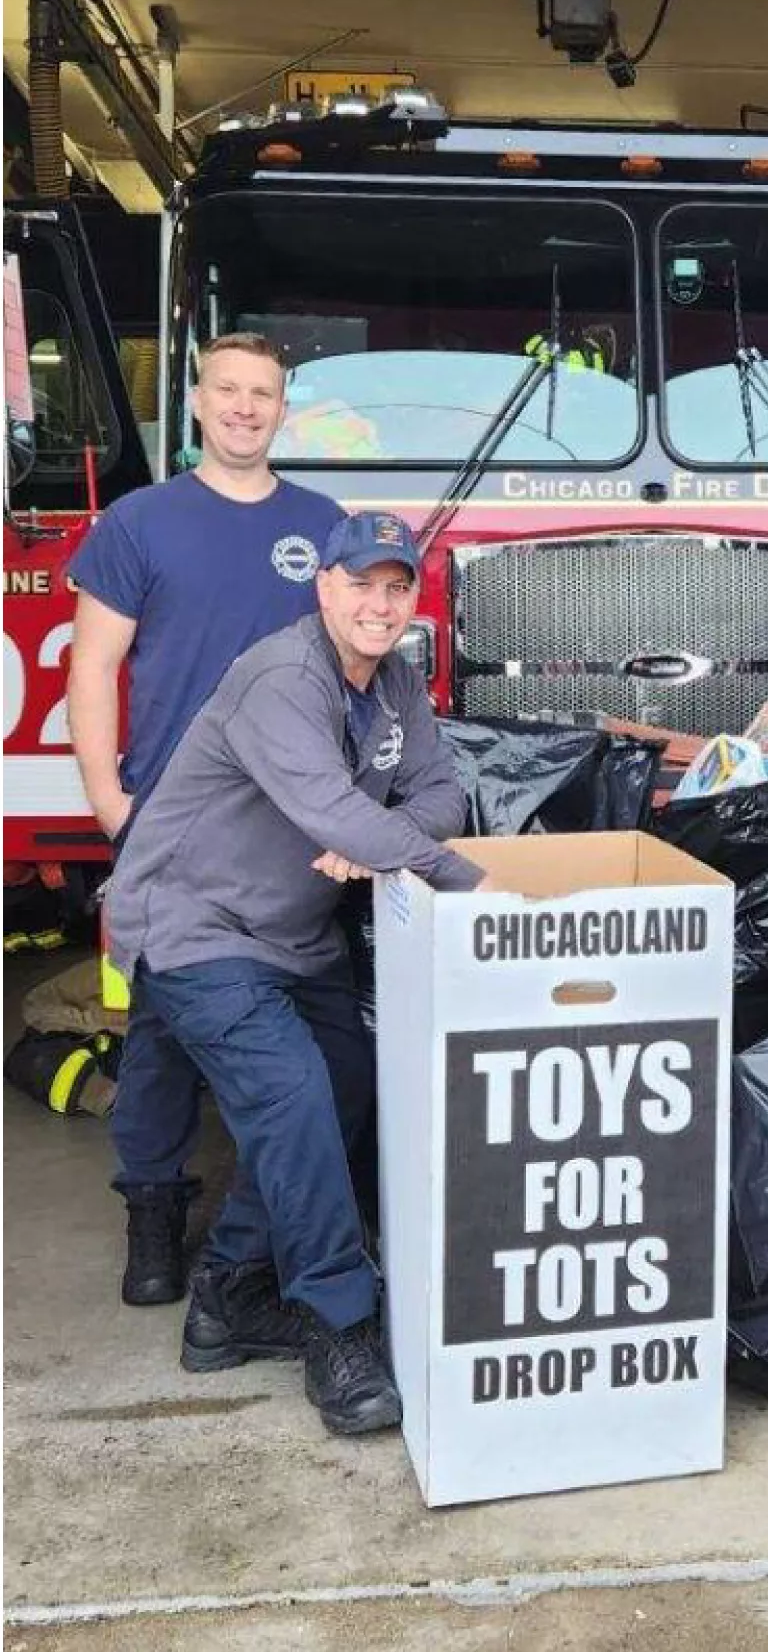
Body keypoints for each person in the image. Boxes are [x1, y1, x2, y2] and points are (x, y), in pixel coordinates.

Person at [104, 511, 484, 1437]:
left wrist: (377, 837)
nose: (380, 604)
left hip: (292, 934)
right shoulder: (282, 674)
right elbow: (344, 814)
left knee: (349, 1084)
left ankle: (230, 1292)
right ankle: (338, 1322)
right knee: (295, 1096)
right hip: (195, 926)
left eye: (397, 588)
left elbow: (444, 791)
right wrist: (476, 880)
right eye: (363, 584)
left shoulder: (394, 681)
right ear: (325, 587)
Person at [68, 332, 343, 1310]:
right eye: (227, 389)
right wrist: (113, 805)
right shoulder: (140, 523)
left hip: (294, 832)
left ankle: (290, 1216)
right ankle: (152, 1209)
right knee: (160, 1030)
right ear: (196, 401)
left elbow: (355, 667)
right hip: (174, 828)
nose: (243, 406)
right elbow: (92, 667)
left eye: (261, 392)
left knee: (313, 1021)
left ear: (282, 410)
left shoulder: (325, 523)